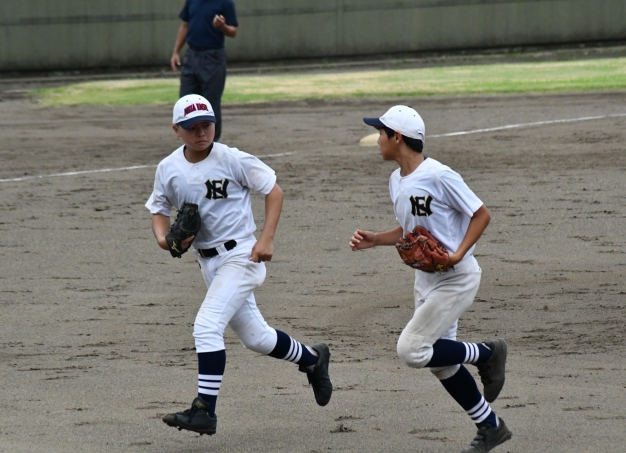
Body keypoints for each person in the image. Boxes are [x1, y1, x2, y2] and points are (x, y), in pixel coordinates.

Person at [146, 94, 332, 436]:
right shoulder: (168, 168)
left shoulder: (232, 158)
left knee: (206, 326)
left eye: (207, 125)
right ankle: (313, 359)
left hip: (242, 256)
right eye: (192, 127)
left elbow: (273, 191)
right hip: (208, 264)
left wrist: (266, 238)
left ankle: (204, 410)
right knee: (256, 338)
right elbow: (159, 209)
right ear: (176, 130)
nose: (201, 133)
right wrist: (164, 240)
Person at [349, 105, 512, 453]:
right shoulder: (396, 181)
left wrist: (457, 255)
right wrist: (376, 239)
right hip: (426, 280)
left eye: (381, 133)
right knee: (442, 364)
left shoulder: (439, 175)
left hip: (456, 278)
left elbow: (481, 214)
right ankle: (491, 426)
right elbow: (411, 230)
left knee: (411, 350)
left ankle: (487, 353)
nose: (377, 140)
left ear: (397, 137)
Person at [170, 0, 238, 141]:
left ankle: (212, 144)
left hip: (213, 56)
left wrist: (222, 26)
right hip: (191, 55)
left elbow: (233, 31)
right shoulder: (192, 1)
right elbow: (185, 25)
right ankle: (190, 141)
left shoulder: (225, 3)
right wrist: (176, 52)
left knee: (211, 103)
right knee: (186, 101)